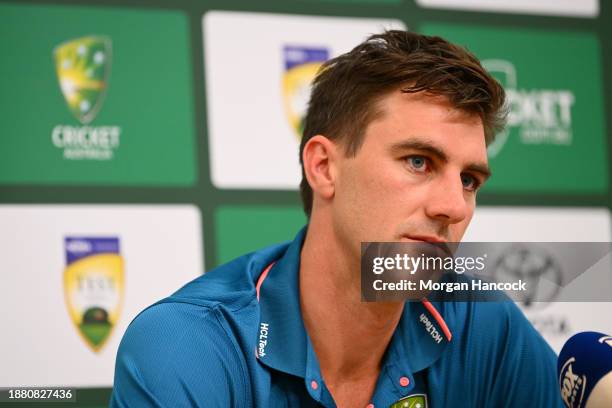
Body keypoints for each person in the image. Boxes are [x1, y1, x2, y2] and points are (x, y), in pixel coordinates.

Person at [111, 30, 563, 407]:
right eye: (418, 162)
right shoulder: (189, 346)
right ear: (324, 167)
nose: (454, 207)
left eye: (468, 179)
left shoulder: (482, 323)